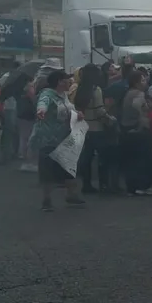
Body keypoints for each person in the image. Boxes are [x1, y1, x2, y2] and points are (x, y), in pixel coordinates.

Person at [33, 70, 85, 211]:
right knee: (48, 170)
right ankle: (46, 200)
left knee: (68, 167)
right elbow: (42, 104)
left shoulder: (64, 96)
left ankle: (71, 194)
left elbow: (68, 110)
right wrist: (41, 111)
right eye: (67, 79)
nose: (70, 82)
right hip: (49, 139)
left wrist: (76, 114)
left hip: (64, 137)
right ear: (59, 82)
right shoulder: (47, 94)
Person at [74, 64, 112, 194]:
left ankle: (86, 184)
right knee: (103, 158)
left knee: (87, 157)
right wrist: (110, 119)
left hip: (84, 127)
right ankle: (104, 185)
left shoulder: (80, 88)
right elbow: (99, 111)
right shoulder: (96, 90)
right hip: (97, 128)